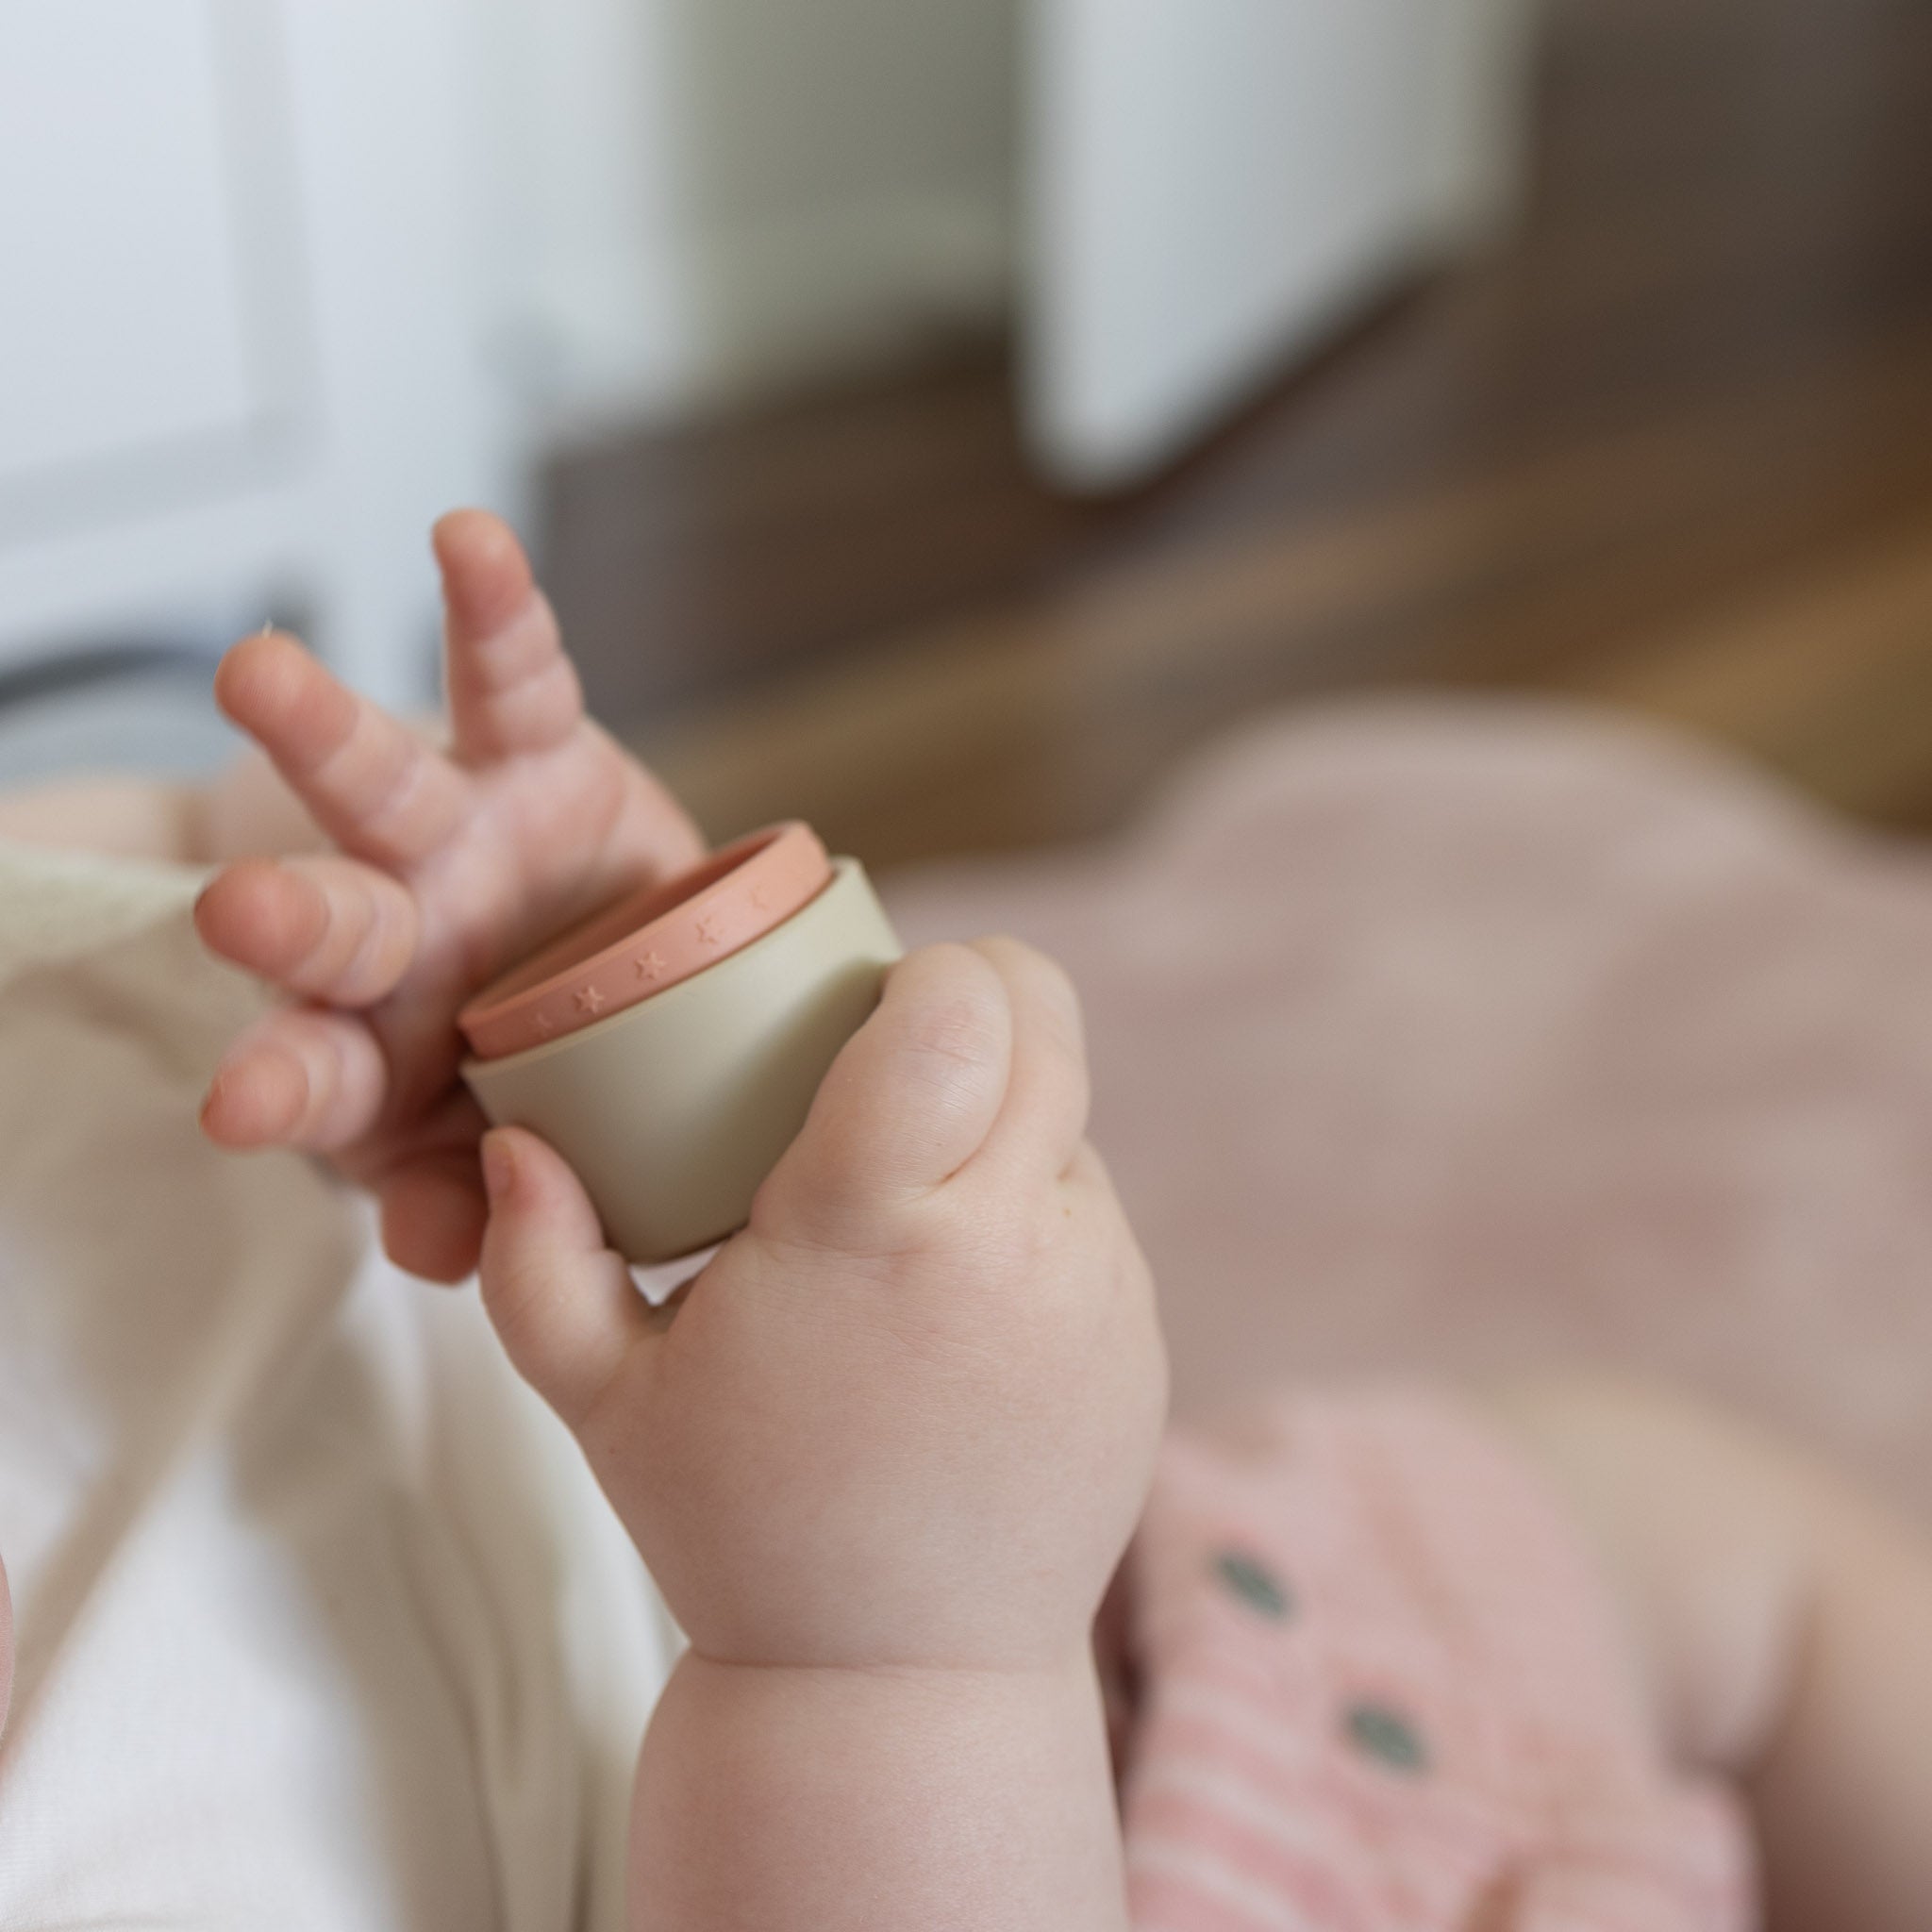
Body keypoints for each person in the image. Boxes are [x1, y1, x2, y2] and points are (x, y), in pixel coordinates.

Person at [2, 510, 1929, 1929]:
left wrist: (405, 920)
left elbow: (108, 913)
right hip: (933, 1805)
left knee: (1694, 1535)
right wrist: (884, 1648)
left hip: (1113, 1600)